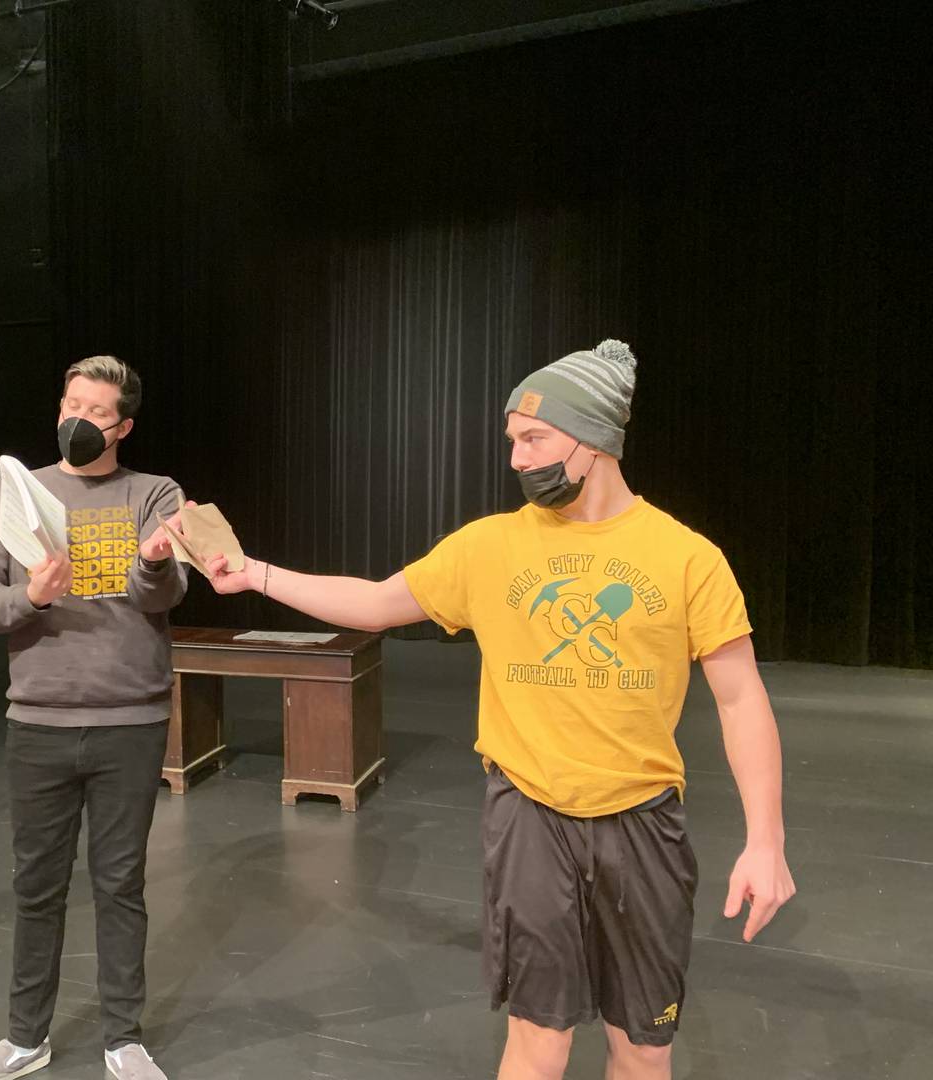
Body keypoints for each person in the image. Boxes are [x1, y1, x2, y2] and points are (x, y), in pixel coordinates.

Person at [205, 340, 795, 1079]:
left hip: (643, 823)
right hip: (531, 816)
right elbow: (377, 601)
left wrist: (765, 841)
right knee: (538, 1041)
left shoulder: (687, 557)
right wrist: (256, 574)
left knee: (644, 1048)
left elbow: (741, 700)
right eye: (511, 441)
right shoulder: (491, 546)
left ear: (594, 441)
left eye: (533, 438)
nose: (516, 458)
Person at [0, 356, 189, 1080]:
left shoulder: (155, 492)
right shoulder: (13, 494)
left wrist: (151, 562)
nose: (77, 420)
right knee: (37, 885)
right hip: (39, 722)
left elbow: (166, 592)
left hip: (130, 720)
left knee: (120, 883)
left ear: (123, 426)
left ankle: (124, 1038)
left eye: (96, 411)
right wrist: (35, 597)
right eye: (71, 403)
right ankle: (26, 1037)